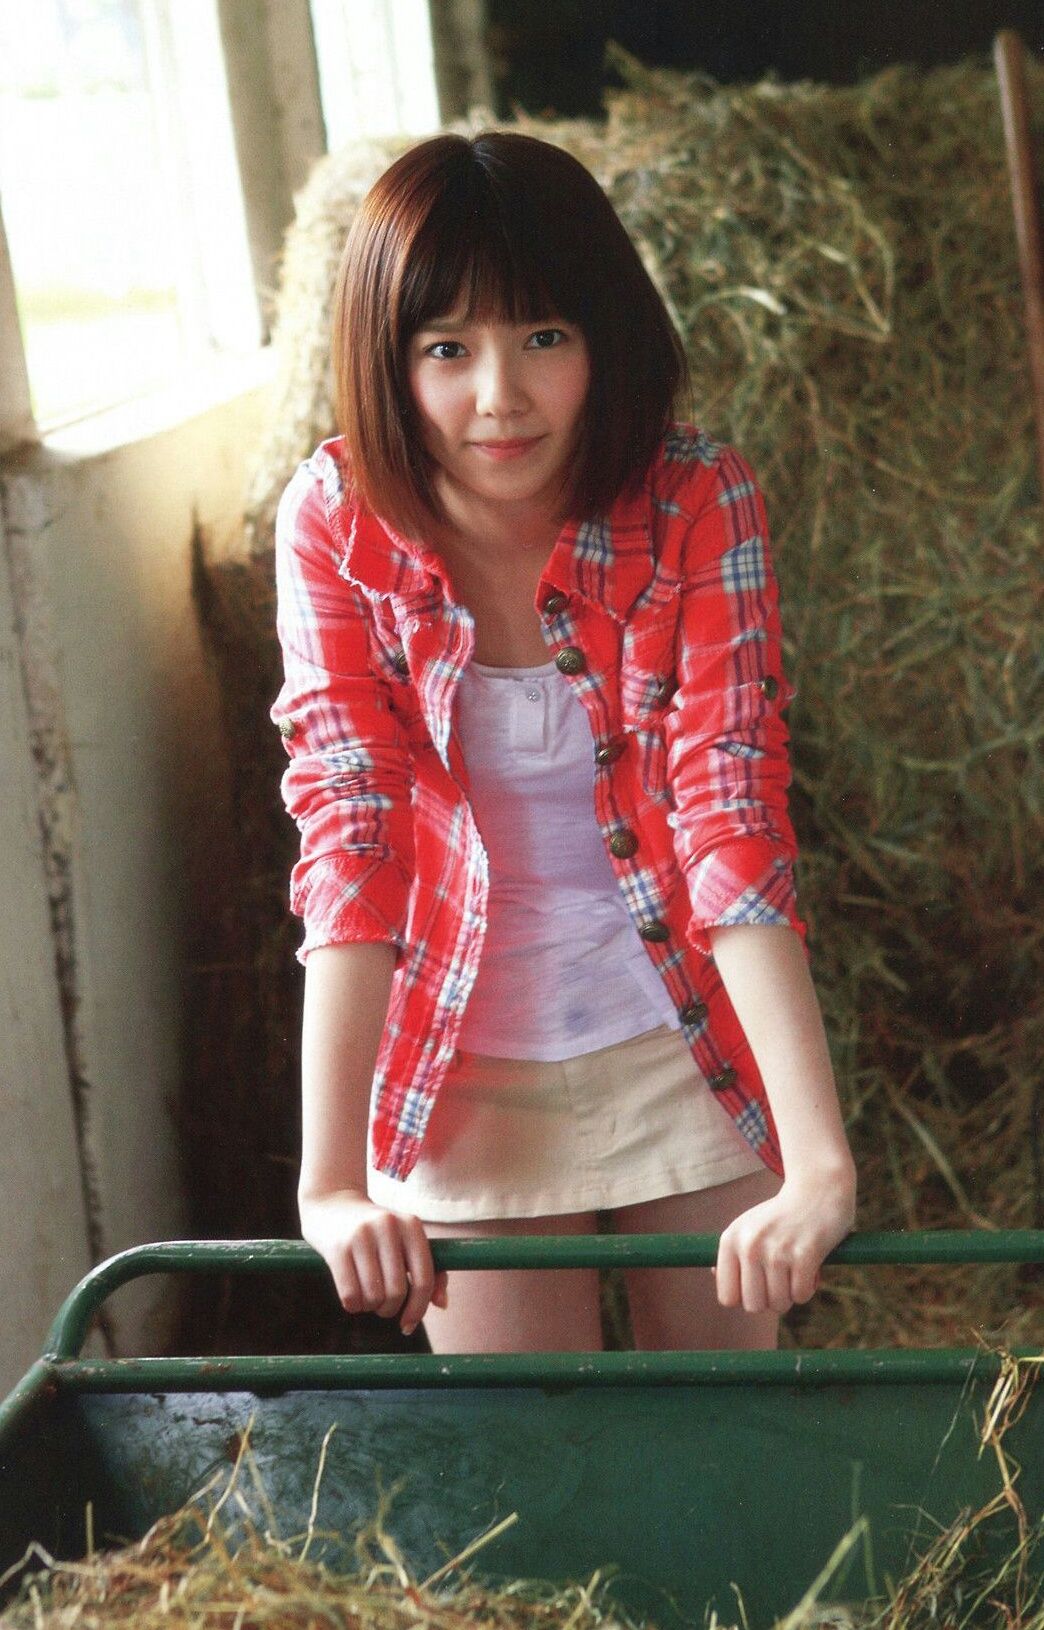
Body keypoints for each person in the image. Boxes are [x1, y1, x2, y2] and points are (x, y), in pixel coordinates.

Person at [270, 130, 856, 1355]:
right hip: (457, 1056)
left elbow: (729, 810)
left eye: (544, 336)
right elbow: (352, 828)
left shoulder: (697, 499)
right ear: (388, 360)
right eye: (447, 349)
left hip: (682, 1031)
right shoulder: (336, 520)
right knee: (529, 1446)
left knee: (720, 1427)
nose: (502, 395)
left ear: (606, 336)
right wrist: (330, 1183)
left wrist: (820, 1162)